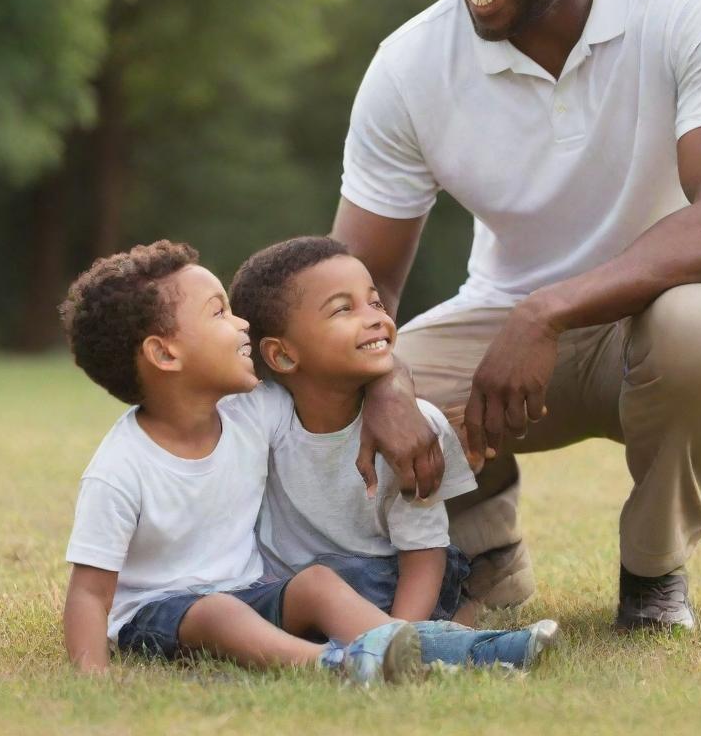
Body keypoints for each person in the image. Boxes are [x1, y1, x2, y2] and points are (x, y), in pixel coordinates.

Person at [332, 0, 701, 631]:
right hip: (502, 342)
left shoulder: (695, 0)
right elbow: (351, 285)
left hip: (664, 325)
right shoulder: (409, 66)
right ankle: (488, 554)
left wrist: (550, 310)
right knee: (337, 393)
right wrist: (385, 383)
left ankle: (653, 575)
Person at [59, 239, 423, 683]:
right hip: (160, 615)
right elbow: (90, 595)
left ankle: (414, 650)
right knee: (219, 613)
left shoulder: (254, 412)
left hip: (252, 593)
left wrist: (391, 388)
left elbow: (330, 372)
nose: (242, 323)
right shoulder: (119, 469)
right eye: (219, 312)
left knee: (319, 584)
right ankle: (332, 665)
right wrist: (93, 677)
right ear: (165, 353)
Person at [228, 235, 561, 666]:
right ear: (283, 355)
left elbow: (423, 551)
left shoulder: (415, 431)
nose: (374, 319)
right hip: (291, 593)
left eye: (376, 303)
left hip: (393, 584)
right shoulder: (260, 417)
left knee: (367, 581)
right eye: (343, 309)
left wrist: (404, 632)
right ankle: (451, 640)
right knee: (285, 591)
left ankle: (423, 643)